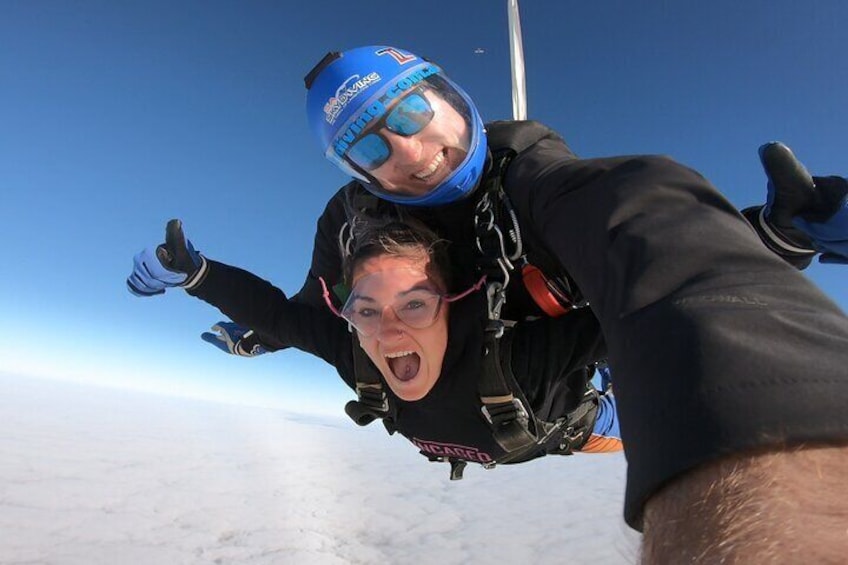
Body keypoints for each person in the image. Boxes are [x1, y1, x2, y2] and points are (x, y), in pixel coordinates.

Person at [132, 44, 848, 560]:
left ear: (446, 92)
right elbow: (304, 315)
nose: (410, 152)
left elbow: (654, 246)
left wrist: (772, 242)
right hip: (514, 406)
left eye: (411, 109)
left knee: (630, 354)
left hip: (574, 416)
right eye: (370, 149)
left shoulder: (541, 190)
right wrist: (199, 277)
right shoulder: (355, 322)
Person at [128, 217, 623, 477]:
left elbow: (655, 310)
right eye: (366, 311)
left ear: (451, 304)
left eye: (413, 306)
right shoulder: (361, 358)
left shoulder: (523, 359)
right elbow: (279, 317)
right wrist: (197, 275)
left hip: (585, 425)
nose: (387, 334)